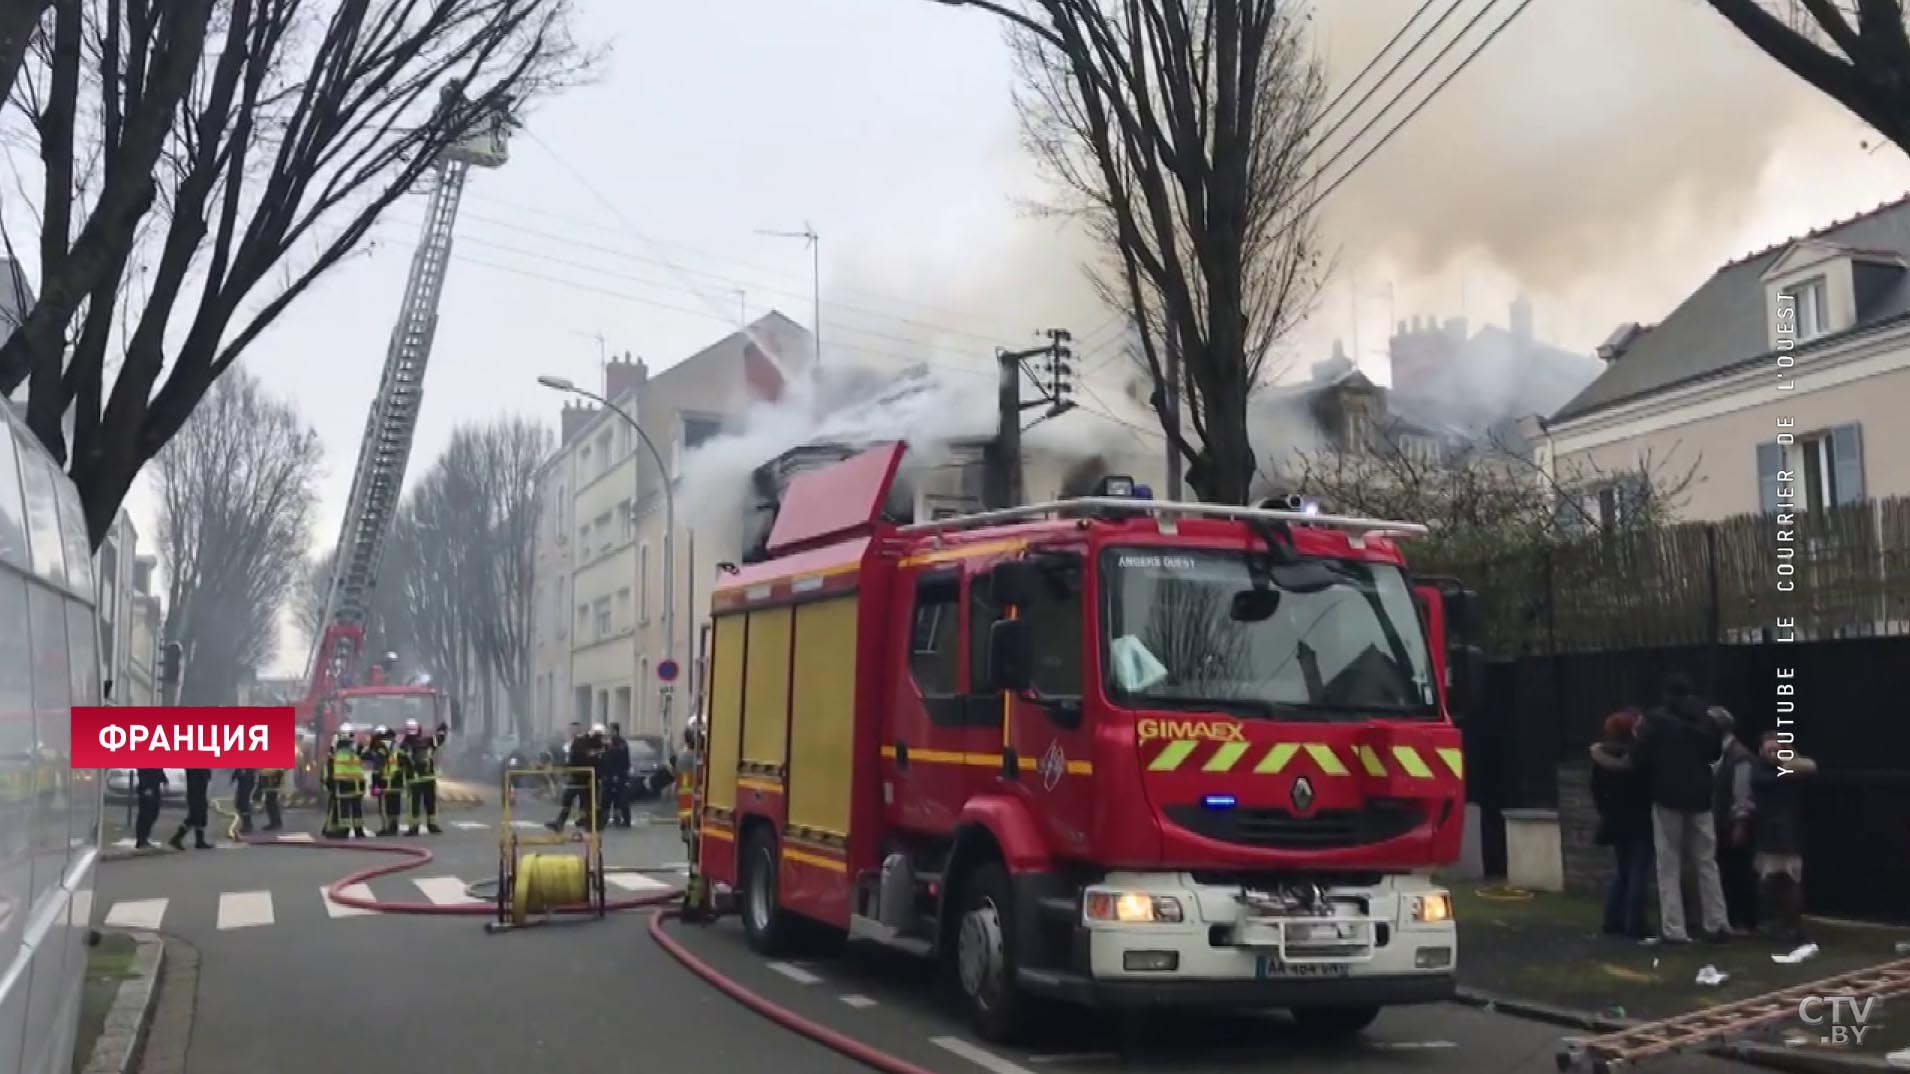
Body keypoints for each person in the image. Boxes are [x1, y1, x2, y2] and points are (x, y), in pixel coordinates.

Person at [1630, 673, 1729, 944]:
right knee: (1707, 862)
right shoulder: (1706, 718)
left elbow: (1638, 757)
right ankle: (1717, 923)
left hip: (1666, 797)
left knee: (1668, 864)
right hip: (1700, 797)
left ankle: (1675, 929)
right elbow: (1715, 753)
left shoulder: (1656, 720)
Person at [1589, 709, 1653, 940]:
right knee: (1638, 873)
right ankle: (1635, 924)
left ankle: (1612, 918)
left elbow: (1595, 789)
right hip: (1639, 819)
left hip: (1615, 820)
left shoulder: (1601, 756)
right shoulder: (1638, 756)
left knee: (1623, 871)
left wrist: (1606, 810)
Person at [1750, 732, 1818, 945]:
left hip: (1786, 834)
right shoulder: (1760, 772)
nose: (1772, 754)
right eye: (1768, 750)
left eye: (1775, 750)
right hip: (1770, 835)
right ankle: (1778, 924)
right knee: (1770, 883)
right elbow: (1767, 779)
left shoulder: (1786, 771)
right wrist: (1787, 763)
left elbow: (1810, 767)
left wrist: (1787, 761)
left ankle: (1792, 926)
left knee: (1790, 883)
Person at [1710, 707, 1758, 934]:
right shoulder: (1719, 752)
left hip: (1732, 823)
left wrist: (1740, 822)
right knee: (1724, 871)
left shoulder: (1739, 756)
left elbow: (1743, 793)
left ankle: (1745, 920)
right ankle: (1728, 917)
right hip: (1719, 821)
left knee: (1738, 871)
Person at [399, 718, 450, 835]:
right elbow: (440, 739)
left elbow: (401, 763)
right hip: (429, 778)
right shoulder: (428, 741)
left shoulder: (404, 745)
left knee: (414, 804)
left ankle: (414, 827)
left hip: (414, 780)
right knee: (430, 802)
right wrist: (442, 729)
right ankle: (432, 825)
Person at [548, 724, 601, 833]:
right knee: (570, 800)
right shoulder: (575, 743)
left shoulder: (582, 742)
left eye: (574, 730)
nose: (571, 732)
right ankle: (561, 823)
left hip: (583, 778)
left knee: (585, 802)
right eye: (571, 730)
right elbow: (573, 759)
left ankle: (587, 823)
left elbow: (582, 759)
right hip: (577, 777)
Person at [324, 725, 368, 839]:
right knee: (356, 808)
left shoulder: (339, 753)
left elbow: (331, 766)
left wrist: (329, 782)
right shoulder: (353, 752)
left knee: (343, 808)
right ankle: (359, 830)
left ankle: (343, 830)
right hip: (357, 784)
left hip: (343, 785)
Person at [366, 726, 401, 836]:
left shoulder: (381, 748)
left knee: (384, 806)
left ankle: (386, 828)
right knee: (395, 805)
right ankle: (394, 826)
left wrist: (375, 785)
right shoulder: (396, 746)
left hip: (385, 781)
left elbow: (378, 768)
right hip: (396, 780)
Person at [168, 769, 213, 850]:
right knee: (194, 817)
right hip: (194, 793)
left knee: (202, 817)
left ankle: (200, 841)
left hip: (201, 792)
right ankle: (176, 838)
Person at [605, 724, 632, 828]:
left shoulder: (620, 744)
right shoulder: (610, 742)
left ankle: (624, 820)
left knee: (621, 799)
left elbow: (622, 761)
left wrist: (618, 774)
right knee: (610, 798)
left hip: (619, 775)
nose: (609, 732)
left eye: (610, 730)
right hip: (611, 775)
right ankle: (613, 818)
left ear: (615, 731)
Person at [133, 768, 168, 849]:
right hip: (146, 788)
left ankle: (144, 838)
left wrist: (165, 780)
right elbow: (142, 772)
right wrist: (146, 787)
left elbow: (159, 769)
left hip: (155, 787)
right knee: (145, 814)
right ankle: (141, 840)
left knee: (154, 813)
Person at [256, 767, 285, 832]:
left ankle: (275, 823)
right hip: (272, 776)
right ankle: (276, 822)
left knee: (271, 801)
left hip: (272, 777)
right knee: (271, 801)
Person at [231, 767, 258, 836]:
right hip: (243, 780)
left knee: (243, 803)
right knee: (239, 804)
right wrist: (234, 776)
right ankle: (246, 824)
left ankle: (247, 825)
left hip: (246, 780)